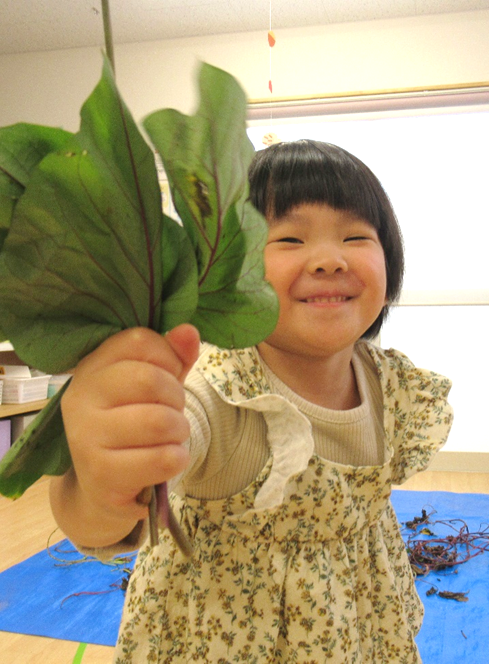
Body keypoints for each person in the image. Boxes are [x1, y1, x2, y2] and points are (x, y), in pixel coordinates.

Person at [50, 139, 454, 663]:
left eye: (356, 235)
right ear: (228, 272)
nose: (330, 259)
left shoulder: (392, 386)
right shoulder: (215, 393)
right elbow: (108, 515)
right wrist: (101, 485)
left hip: (361, 628)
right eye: (288, 238)